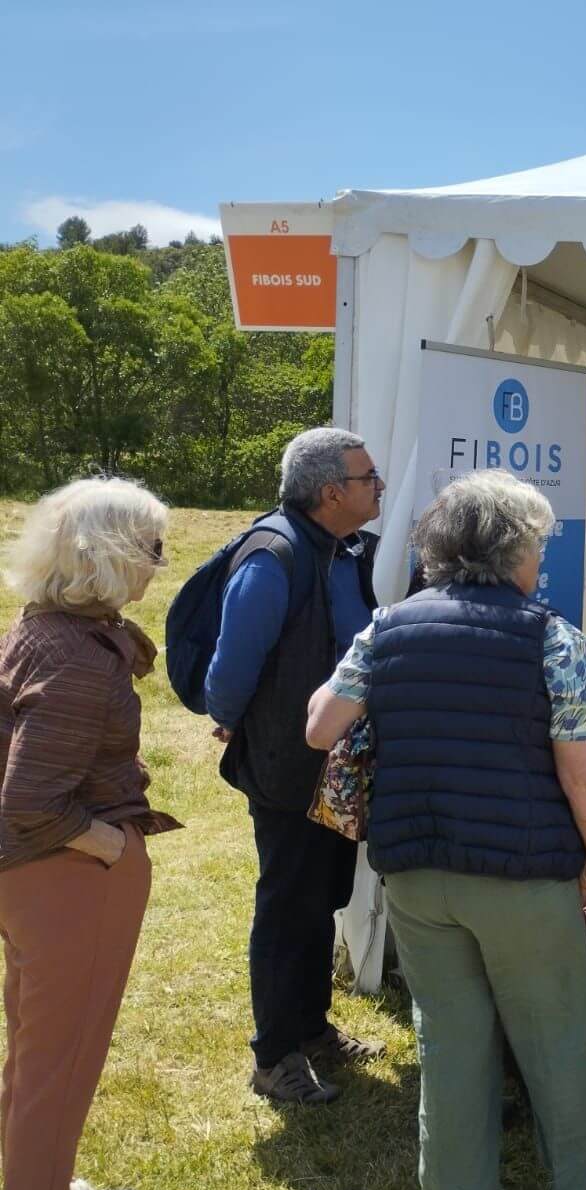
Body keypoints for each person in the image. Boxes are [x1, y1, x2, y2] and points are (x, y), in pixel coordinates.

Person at [306, 470, 586, 1190]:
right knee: (560, 1040)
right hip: (522, 875)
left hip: (413, 869)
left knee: (450, 1043)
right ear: (511, 551)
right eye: (536, 545)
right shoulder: (551, 638)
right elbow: (585, 779)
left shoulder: (389, 625)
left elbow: (320, 725)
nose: (541, 560)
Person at [0, 478, 180, 1190]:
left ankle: (37, 1186)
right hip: (68, 872)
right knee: (60, 1063)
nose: (159, 563)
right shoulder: (75, 653)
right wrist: (107, 843)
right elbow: (32, 799)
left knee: (38, 1054)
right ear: (109, 554)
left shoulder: (40, 627)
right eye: (152, 547)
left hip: (31, 875)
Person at [205, 426, 385, 1104]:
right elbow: (231, 670)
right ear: (331, 492)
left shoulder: (340, 548)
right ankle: (274, 1057)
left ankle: (310, 1030)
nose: (380, 486)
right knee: (286, 906)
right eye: (368, 478)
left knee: (319, 900)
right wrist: (235, 718)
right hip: (286, 768)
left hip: (333, 768)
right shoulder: (273, 554)